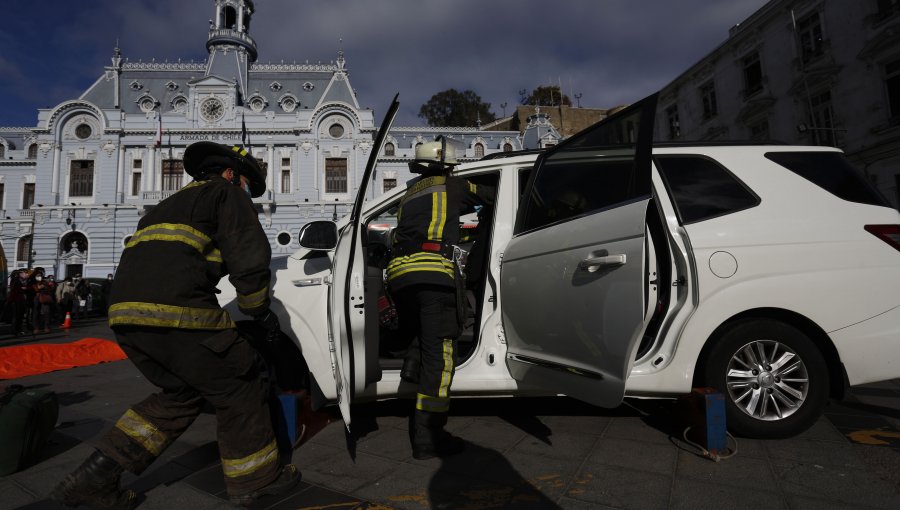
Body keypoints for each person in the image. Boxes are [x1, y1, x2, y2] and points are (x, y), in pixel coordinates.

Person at [50, 142, 297, 509]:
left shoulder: (164, 206)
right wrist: (258, 311)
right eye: (246, 182)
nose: (247, 191)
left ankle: (93, 478)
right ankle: (255, 481)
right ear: (231, 174)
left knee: (184, 393)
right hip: (177, 311)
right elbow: (248, 253)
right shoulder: (226, 194)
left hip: (125, 315)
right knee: (241, 381)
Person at [387, 138, 494, 460]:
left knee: (422, 329)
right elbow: (492, 196)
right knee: (441, 358)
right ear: (447, 164)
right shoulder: (454, 186)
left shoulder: (409, 194)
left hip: (400, 277)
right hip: (433, 276)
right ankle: (429, 437)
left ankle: (410, 364)